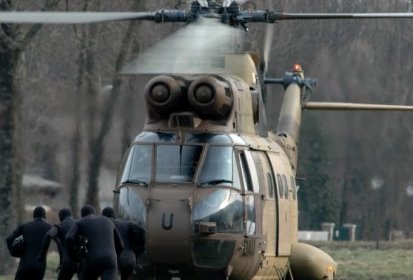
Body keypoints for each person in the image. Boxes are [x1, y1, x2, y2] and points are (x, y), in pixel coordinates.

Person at [66, 205, 124, 280]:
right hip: (109, 260)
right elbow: (121, 245)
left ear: (82, 215)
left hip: (91, 259)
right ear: (95, 213)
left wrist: (73, 257)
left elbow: (68, 237)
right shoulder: (108, 221)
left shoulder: (81, 222)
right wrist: (114, 257)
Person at [6, 206, 52, 280]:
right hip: (40, 265)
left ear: (34, 215)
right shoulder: (49, 227)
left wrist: (14, 252)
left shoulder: (25, 227)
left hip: (25, 263)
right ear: (44, 216)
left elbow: (9, 239)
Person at [101, 206, 145, 280]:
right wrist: (136, 253)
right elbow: (143, 235)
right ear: (114, 215)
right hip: (130, 259)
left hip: (112, 260)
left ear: (103, 216)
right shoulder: (127, 224)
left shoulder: (104, 225)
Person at [37, 208, 78, 280]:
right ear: (71, 215)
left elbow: (49, 235)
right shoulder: (79, 223)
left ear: (60, 217)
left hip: (67, 262)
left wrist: (42, 254)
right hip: (82, 262)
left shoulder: (59, 226)